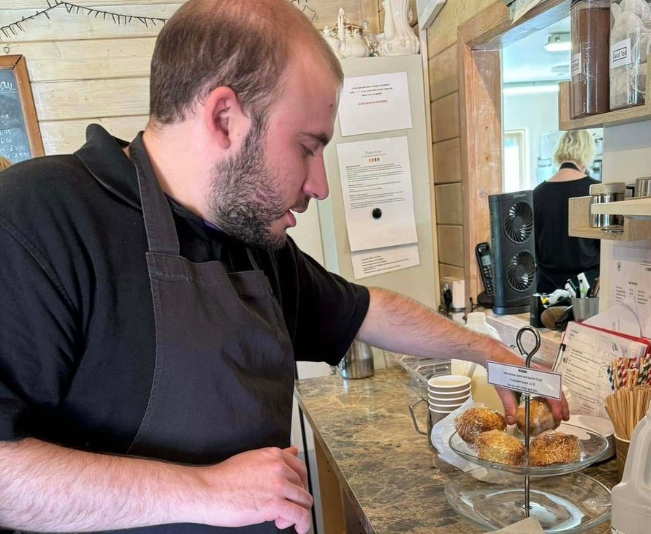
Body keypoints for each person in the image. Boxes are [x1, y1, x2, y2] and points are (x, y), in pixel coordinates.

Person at [0, 1, 568, 533]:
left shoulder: (247, 239)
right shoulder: (40, 217)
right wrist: (203, 490)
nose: (319, 185)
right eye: (306, 146)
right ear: (224, 117)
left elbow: (366, 310)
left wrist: (487, 352)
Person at [532, 130, 600, 295]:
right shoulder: (596, 190)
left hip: (546, 287)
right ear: (587, 151)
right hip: (585, 287)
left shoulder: (537, 193)